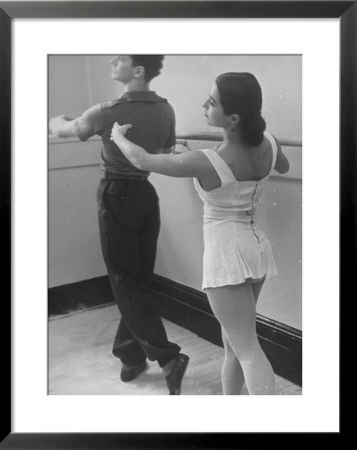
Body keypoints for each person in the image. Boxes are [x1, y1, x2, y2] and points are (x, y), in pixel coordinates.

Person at [110, 72, 290, 395]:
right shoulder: (270, 144)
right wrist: (186, 156)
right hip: (255, 251)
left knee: (247, 348)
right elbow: (284, 166)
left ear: (233, 118)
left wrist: (117, 135)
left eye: (212, 101)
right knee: (234, 343)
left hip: (227, 258)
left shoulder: (205, 161)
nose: (204, 105)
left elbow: (141, 159)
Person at [49, 55, 189, 395]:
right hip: (146, 194)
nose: (113, 61)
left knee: (125, 279)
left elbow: (70, 129)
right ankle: (130, 354)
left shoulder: (106, 110)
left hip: (116, 195)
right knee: (137, 278)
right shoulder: (166, 110)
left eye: (120, 59)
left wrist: (54, 121)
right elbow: (167, 149)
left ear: (137, 71)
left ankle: (168, 357)